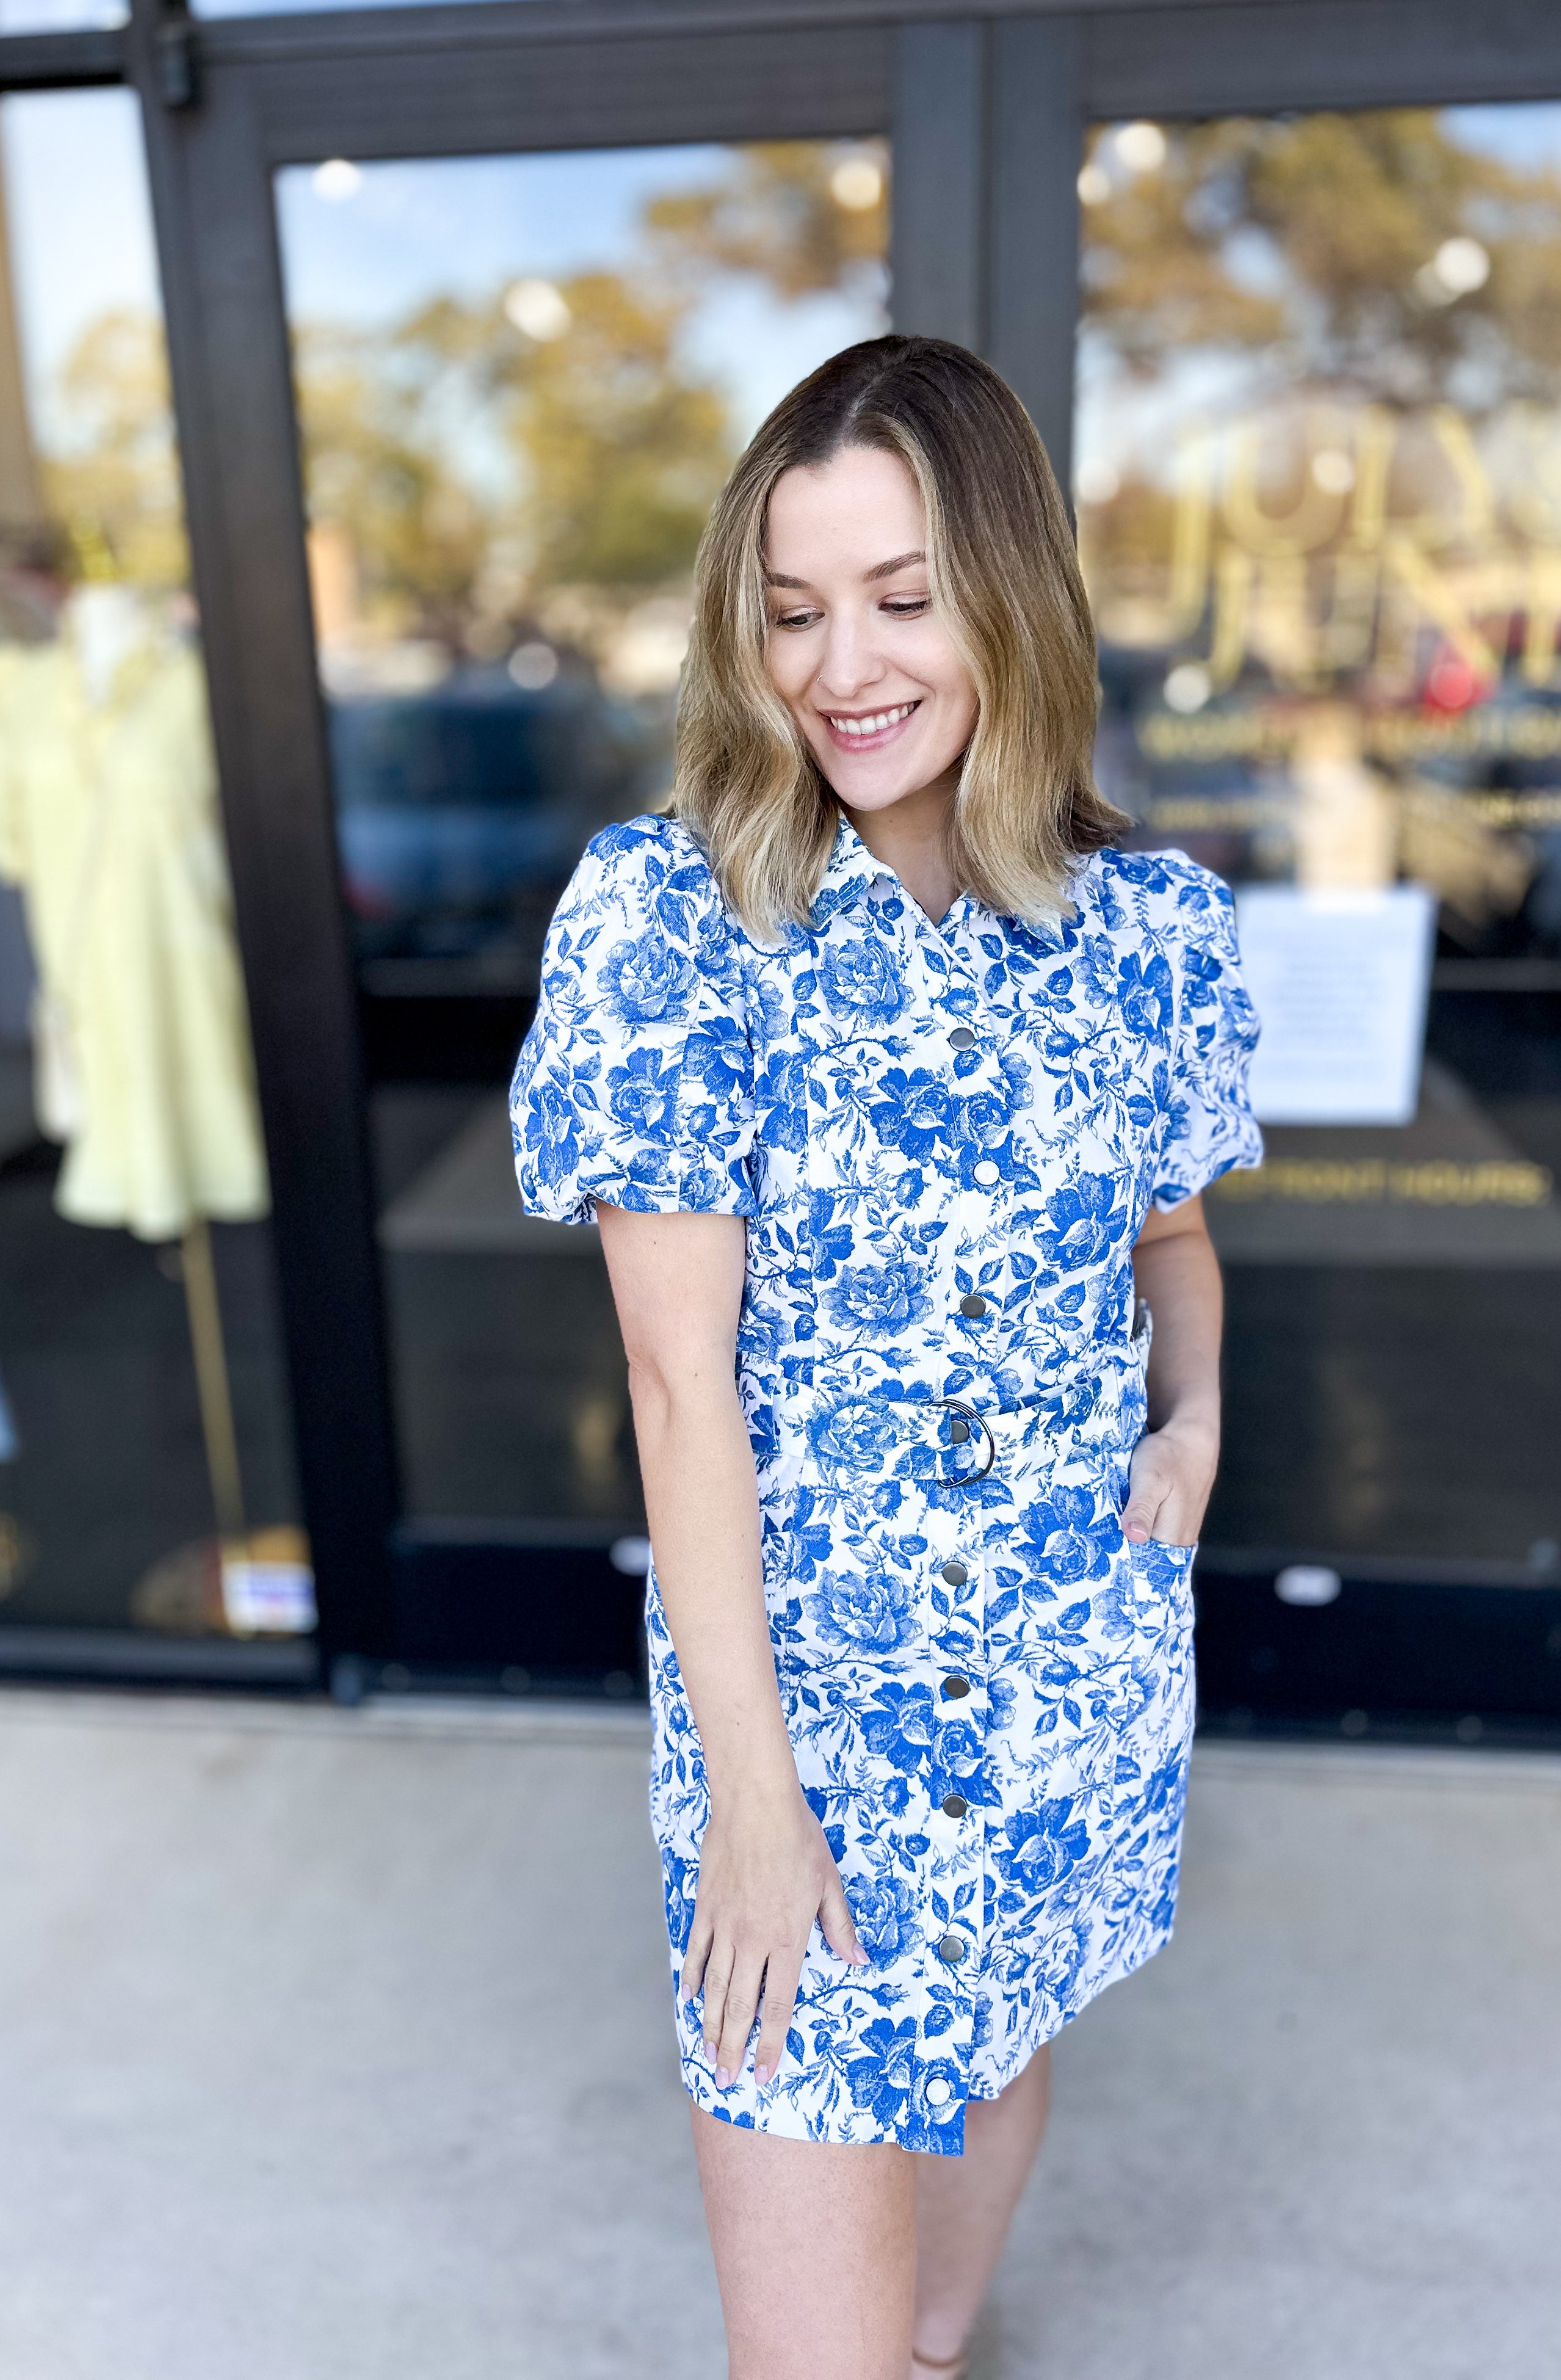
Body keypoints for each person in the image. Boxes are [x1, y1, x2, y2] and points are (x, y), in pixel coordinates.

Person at [510, 336, 1261, 2379]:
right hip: (805, 1726)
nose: (845, 663)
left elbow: (1174, 1247)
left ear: (1012, 597)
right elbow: (679, 1392)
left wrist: (1190, 1423)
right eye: (791, 610)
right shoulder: (670, 925)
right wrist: (751, 1805)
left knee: (979, 2124)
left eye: (904, 598)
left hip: (1070, 1686)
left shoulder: (1146, 934)